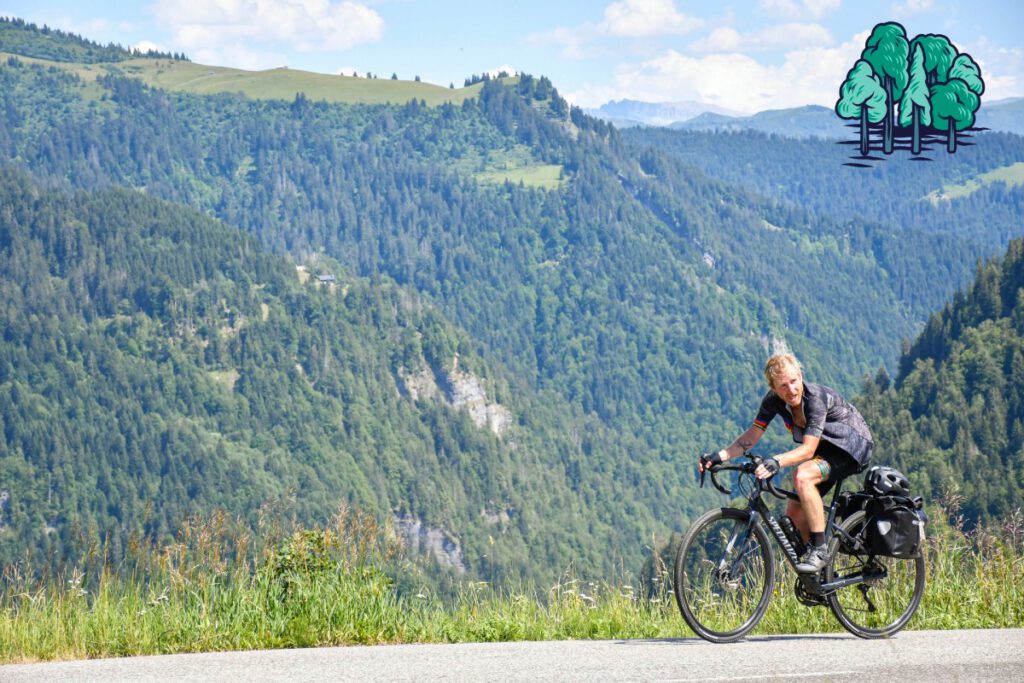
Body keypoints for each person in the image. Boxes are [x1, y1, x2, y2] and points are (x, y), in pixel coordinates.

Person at [698, 353, 874, 573]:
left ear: (800, 376)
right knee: (794, 511)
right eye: (783, 385)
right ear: (773, 388)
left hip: (852, 448)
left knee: (802, 476)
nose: (791, 390)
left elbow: (808, 450)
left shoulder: (815, 399)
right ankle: (820, 577)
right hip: (824, 448)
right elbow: (752, 436)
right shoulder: (773, 401)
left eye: (794, 381)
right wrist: (720, 456)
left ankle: (820, 550)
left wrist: (776, 461)